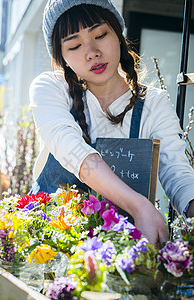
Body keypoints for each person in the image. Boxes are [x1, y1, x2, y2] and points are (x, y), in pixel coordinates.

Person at [29, 0, 194, 246]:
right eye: (74, 45)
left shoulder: (153, 103)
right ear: (62, 57)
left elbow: (177, 174)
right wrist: (140, 207)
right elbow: (74, 151)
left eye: (100, 34)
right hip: (47, 248)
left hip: (120, 256)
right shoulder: (50, 88)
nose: (92, 52)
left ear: (118, 33)